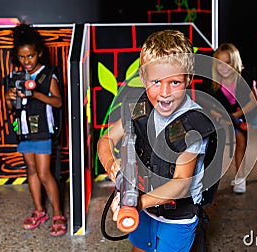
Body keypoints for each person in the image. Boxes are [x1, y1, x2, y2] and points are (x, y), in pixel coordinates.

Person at [98, 29, 217, 252]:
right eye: (156, 81)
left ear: (188, 79)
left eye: (174, 83)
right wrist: (112, 166)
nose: (164, 93)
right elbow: (105, 140)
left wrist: (134, 203)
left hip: (177, 217)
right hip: (144, 211)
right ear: (143, 78)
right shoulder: (139, 107)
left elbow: (181, 184)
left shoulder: (193, 125)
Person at [4, 23, 66, 236]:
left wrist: (36, 94)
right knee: (30, 171)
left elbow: (58, 102)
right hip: (23, 131)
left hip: (41, 131)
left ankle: (58, 213)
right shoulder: (16, 77)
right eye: (22, 57)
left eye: (30, 56)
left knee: (44, 173)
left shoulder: (47, 75)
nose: (26, 61)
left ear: (39, 53)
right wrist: (9, 99)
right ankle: (40, 210)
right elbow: (12, 108)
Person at [207, 42, 257, 194]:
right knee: (241, 143)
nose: (224, 67)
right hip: (234, 114)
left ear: (235, 62)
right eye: (220, 63)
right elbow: (213, 108)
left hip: (254, 110)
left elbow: (252, 101)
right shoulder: (215, 85)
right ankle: (240, 179)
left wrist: (235, 116)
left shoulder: (245, 76)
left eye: (228, 62)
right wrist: (223, 117)